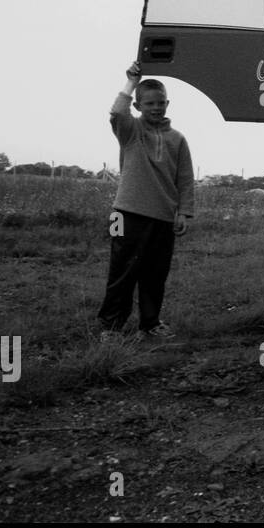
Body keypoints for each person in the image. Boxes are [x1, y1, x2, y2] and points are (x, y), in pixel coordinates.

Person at [97, 61, 194, 340]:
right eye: (149, 103)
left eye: (160, 102)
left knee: (154, 275)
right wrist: (130, 82)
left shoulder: (178, 139)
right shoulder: (130, 131)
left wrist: (183, 213)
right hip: (126, 215)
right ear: (138, 106)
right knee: (122, 271)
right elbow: (117, 111)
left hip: (163, 217)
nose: (156, 107)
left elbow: (185, 179)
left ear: (168, 103)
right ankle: (112, 327)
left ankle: (150, 324)